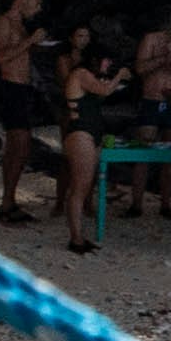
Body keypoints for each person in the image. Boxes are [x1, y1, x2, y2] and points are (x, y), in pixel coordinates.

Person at [53, 27, 125, 250]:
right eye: (104, 62)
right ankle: (75, 238)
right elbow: (104, 91)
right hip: (81, 133)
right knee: (79, 188)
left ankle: (80, 236)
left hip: (91, 132)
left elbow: (99, 92)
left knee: (85, 186)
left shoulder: (88, 76)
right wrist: (120, 75)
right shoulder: (80, 74)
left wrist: (106, 75)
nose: (106, 66)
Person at [0, 0, 47, 222]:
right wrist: (29, 41)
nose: (37, 10)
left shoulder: (20, 25)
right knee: (18, 145)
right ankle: (7, 202)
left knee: (21, 147)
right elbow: (1, 57)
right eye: (36, 3)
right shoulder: (3, 23)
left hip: (22, 88)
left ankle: (10, 201)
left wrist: (33, 44)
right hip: (10, 87)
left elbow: (19, 53)